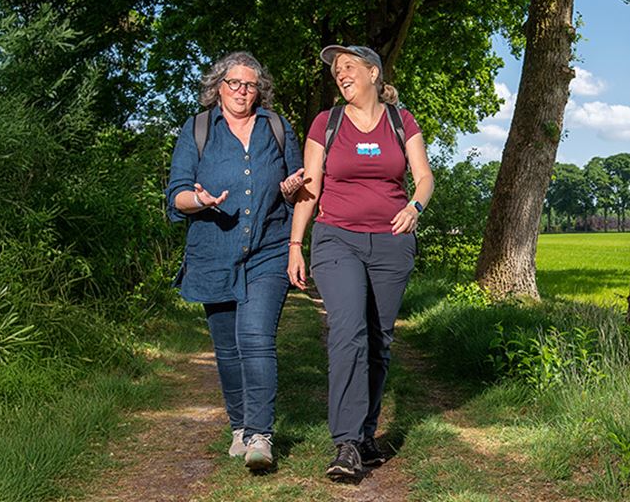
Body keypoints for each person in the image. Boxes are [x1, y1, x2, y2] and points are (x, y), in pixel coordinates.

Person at [287, 45, 434, 481]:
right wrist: (296, 242)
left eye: (348, 66)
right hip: (337, 239)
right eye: (336, 70)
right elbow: (309, 189)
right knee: (347, 331)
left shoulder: (399, 120)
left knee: (377, 340)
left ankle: (367, 434)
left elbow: (424, 176)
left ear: (373, 72)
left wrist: (415, 207)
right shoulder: (325, 122)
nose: (340, 74)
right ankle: (347, 443)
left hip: (392, 243)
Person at [165, 51, 305, 471]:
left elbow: (298, 188)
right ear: (218, 87)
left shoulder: (277, 128)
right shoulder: (198, 129)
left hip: (269, 246)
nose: (242, 91)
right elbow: (176, 194)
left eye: (250, 84)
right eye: (234, 84)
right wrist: (199, 200)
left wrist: (290, 187)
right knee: (227, 349)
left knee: (255, 337)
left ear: (259, 89)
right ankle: (240, 429)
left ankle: (261, 436)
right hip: (213, 251)